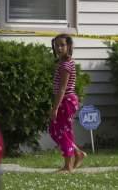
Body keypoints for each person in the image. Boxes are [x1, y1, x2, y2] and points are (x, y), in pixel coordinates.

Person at [48, 34, 86, 172]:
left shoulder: (65, 64)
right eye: (57, 45)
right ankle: (77, 153)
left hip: (66, 101)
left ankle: (68, 166)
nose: (59, 48)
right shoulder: (62, 62)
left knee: (63, 132)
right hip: (65, 100)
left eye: (62, 45)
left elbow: (63, 88)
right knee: (53, 130)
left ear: (69, 46)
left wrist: (55, 108)